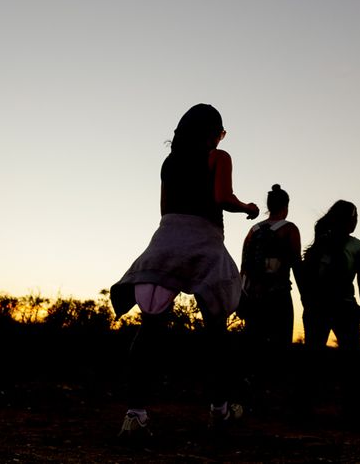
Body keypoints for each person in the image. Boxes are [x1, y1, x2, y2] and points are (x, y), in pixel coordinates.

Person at [109, 103, 259, 438]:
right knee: (218, 333)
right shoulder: (218, 157)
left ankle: (135, 415)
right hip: (204, 243)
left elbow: (164, 209)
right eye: (222, 132)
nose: (223, 138)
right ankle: (219, 411)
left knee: (148, 331)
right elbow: (223, 197)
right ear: (214, 133)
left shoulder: (169, 162)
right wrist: (248, 207)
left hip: (166, 241)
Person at [299, 200, 360, 422]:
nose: (357, 221)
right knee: (351, 361)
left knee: (313, 356)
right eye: (355, 217)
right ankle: (352, 411)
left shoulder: (320, 244)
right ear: (348, 220)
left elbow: (307, 277)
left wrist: (307, 302)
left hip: (320, 307)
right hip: (344, 307)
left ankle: (304, 408)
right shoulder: (356, 246)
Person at [239, 184, 302, 351]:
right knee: (280, 347)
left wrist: (242, 295)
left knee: (254, 345)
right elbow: (297, 264)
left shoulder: (253, 230)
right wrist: (306, 296)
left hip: (254, 296)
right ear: (286, 206)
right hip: (278, 295)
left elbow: (244, 266)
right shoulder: (289, 229)